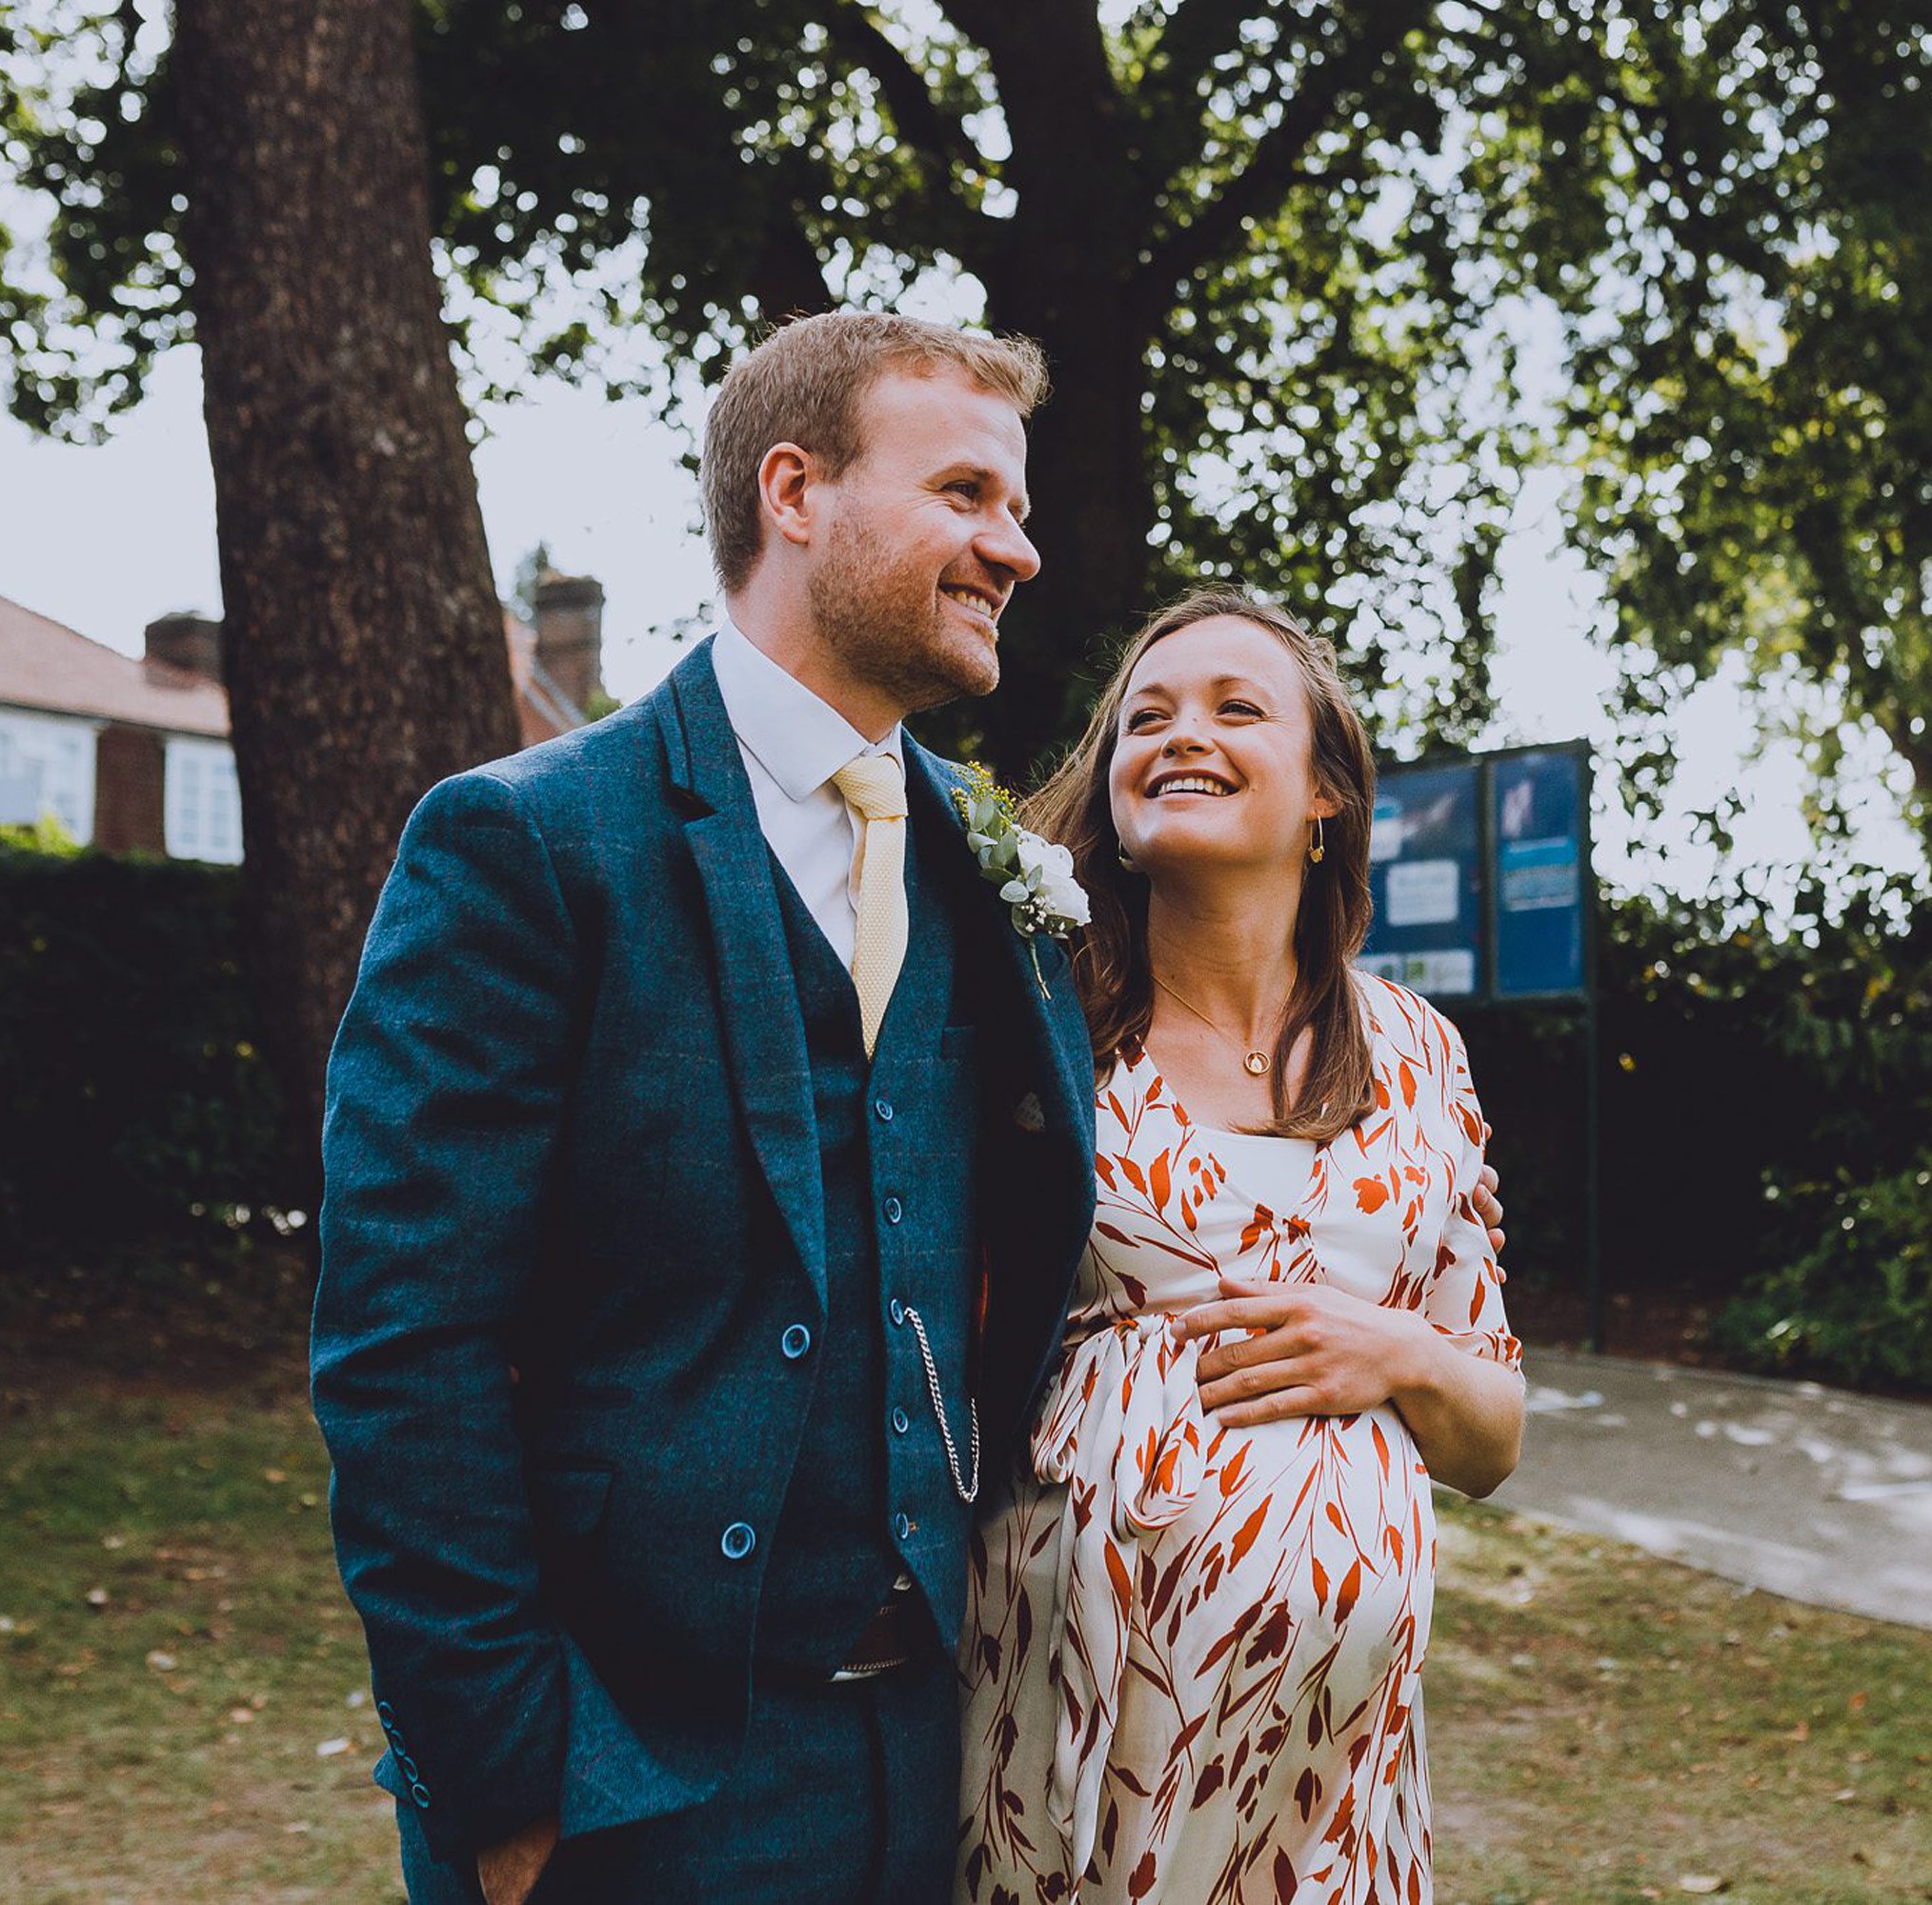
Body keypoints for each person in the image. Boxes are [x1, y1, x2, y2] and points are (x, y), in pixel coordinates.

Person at [311, 311, 1105, 1905]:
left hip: (936, 1755)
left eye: (1015, 509)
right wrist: (506, 1771)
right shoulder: (528, 845)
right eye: (965, 494)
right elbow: (406, 1347)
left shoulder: (984, 853)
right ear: (796, 493)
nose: (1013, 549)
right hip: (626, 1782)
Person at [959, 590, 1527, 1905]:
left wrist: (1397, 1350)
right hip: (1070, 1746)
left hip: (1330, 1774)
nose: (1179, 735)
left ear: (1326, 788)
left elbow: (1493, 1437)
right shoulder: (1030, 1029)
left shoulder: (1418, 1056)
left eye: (1234, 707)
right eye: (1143, 718)